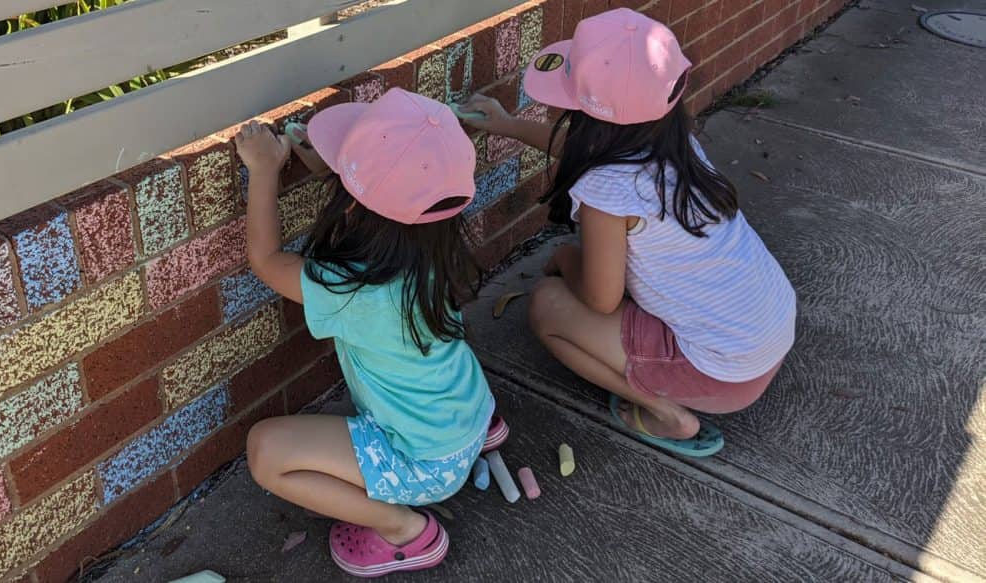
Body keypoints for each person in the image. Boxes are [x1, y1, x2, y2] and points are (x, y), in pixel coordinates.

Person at [459, 8, 796, 457]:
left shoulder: (605, 191)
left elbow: (602, 300)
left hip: (723, 373)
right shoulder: (676, 145)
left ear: (591, 117)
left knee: (547, 305)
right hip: (765, 334)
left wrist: (566, 260)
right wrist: (504, 124)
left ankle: (667, 414)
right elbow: (589, 149)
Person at [237, 88, 504, 577]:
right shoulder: (435, 250)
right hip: (468, 417)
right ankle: (481, 435)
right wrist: (333, 168)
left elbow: (267, 260)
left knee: (265, 452)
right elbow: (384, 199)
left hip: (424, 465)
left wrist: (264, 171)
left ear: (353, 205)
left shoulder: (353, 289)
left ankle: (402, 529)